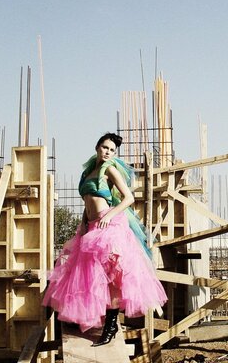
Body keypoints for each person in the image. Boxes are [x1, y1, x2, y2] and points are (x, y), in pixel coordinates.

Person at [43, 132, 167, 346]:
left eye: (112, 149)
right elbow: (87, 202)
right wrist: (83, 223)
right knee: (88, 276)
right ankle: (92, 321)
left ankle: (109, 327)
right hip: (90, 227)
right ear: (97, 147)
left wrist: (109, 215)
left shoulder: (109, 169)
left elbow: (129, 198)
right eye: (105, 147)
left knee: (113, 276)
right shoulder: (87, 172)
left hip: (109, 226)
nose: (108, 152)